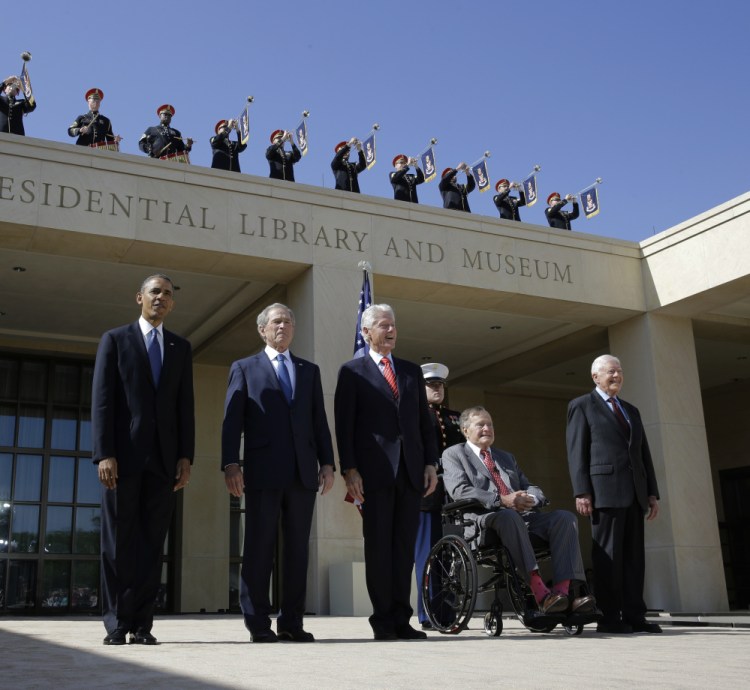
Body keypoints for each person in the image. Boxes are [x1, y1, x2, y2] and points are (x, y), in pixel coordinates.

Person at [222, 303, 335, 643]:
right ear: (263, 330)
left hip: (303, 473)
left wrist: (328, 463)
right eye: (276, 322)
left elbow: (319, 421)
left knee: (297, 550)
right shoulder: (244, 367)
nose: (283, 326)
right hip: (263, 472)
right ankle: (258, 623)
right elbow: (232, 421)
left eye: (288, 321)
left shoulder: (309, 370)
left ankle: (291, 622)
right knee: (259, 548)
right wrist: (230, 463)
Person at [92, 274, 195, 646]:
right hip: (122, 461)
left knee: (153, 544)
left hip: (164, 463)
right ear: (139, 297)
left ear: (172, 303)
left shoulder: (180, 347)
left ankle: (143, 625)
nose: (161, 298)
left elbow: (186, 407)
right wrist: (104, 452)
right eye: (155, 292)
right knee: (119, 543)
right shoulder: (115, 340)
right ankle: (118, 623)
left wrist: (186, 457)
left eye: (168, 294)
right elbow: (102, 401)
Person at [334, 304, 438, 640]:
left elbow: (425, 424)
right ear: (366, 332)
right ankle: (382, 621)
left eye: (393, 324)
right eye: (383, 325)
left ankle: (401, 619)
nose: (390, 330)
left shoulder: (410, 371)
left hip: (410, 473)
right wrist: (349, 469)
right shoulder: (353, 371)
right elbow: (344, 425)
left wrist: (430, 464)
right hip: (374, 474)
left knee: (403, 549)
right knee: (379, 549)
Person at [443, 406, 597, 616]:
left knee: (564, 518)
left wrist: (531, 498)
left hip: (523, 517)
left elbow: (528, 485)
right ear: (465, 430)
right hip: (484, 521)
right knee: (509, 516)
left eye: (490, 424)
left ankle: (563, 593)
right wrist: (502, 500)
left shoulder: (506, 457)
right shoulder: (454, 454)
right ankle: (540, 593)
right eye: (481, 424)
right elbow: (459, 490)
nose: (487, 428)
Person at [566, 355, 661, 634]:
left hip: (634, 493)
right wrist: (582, 491)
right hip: (603, 492)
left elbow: (644, 454)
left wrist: (652, 493)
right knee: (608, 558)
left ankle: (635, 615)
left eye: (619, 371)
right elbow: (576, 451)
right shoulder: (581, 406)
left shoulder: (631, 410)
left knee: (634, 558)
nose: (616, 376)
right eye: (610, 371)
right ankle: (609, 616)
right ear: (595, 376)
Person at [414, 363, 463, 629]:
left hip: (452, 495)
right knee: (427, 555)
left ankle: (447, 611)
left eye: (440, 385)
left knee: (449, 556)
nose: (437, 389)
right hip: (427, 495)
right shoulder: (414, 415)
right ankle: (428, 613)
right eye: (431, 385)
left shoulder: (455, 418)